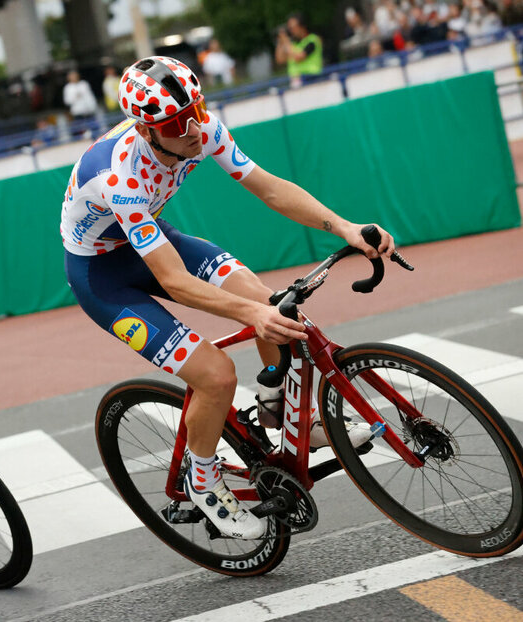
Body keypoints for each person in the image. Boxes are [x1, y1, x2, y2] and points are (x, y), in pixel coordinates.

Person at [60, 57, 393, 539]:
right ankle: (202, 481)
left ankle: (279, 411)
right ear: (148, 129)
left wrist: (345, 227)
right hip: (101, 274)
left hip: (151, 236)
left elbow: (270, 189)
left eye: (197, 109)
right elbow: (174, 282)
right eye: (177, 123)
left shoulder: (198, 129)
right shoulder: (119, 173)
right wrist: (254, 315)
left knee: (270, 300)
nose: (194, 129)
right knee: (216, 374)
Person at [275, 12, 324, 87]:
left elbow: (299, 57)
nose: (291, 31)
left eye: (292, 27)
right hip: (296, 82)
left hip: (312, 80)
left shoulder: (312, 40)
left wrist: (286, 42)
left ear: (302, 26)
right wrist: (280, 42)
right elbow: (280, 60)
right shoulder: (293, 44)